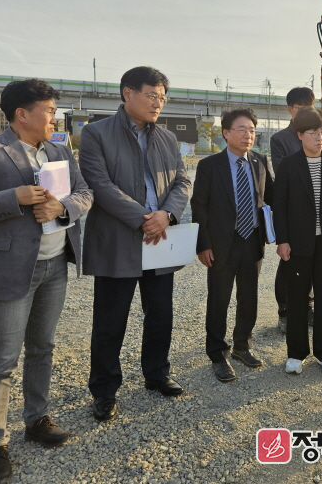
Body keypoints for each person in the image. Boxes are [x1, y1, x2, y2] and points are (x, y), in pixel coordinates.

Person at [0, 79, 93, 482]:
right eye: (49, 111)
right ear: (22, 114)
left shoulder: (60, 151)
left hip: (55, 265)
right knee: (2, 360)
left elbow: (85, 193)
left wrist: (62, 209)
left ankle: (36, 418)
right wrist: (14, 198)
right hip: (11, 269)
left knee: (43, 347)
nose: (55, 118)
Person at [79, 66, 191, 421]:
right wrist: (145, 218)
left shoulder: (167, 138)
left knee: (160, 314)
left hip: (160, 238)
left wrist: (167, 215)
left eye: (163, 98)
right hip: (118, 239)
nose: (158, 103)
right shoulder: (96, 133)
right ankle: (104, 389)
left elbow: (182, 182)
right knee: (110, 321)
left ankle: (156, 373)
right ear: (128, 93)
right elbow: (99, 185)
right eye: (152, 95)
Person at [191, 108, 274, 383]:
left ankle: (242, 346)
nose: (248, 135)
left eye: (252, 130)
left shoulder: (260, 161)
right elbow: (199, 206)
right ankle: (217, 353)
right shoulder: (209, 165)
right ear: (225, 133)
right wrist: (203, 245)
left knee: (249, 297)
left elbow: (273, 197)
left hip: (252, 240)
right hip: (220, 243)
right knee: (219, 299)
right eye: (241, 129)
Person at [274, 108, 322, 375]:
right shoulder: (288, 164)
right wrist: (282, 240)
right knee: (297, 299)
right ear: (300, 135)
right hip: (297, 244)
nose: (320, 137)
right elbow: (280, 206)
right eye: (313, 132)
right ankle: (296, 353)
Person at [269, 86, 316, 333]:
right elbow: (283, 175)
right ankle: (285, 311)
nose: (306, 113)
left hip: (315, 212)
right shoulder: (280, 140)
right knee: (288, 260)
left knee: (313, 259)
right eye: (301, 109)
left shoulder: (319, 133)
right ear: (290, 110)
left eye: (310, 108)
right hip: (292, 210)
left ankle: (308, 306)